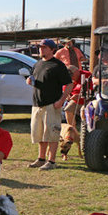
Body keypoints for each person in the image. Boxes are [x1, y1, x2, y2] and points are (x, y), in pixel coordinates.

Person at [26, 38, 72, 171]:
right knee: (39, 133)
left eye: (44, 47)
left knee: (52, 133)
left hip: (52, 104)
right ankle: (41, 159)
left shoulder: (58, 65)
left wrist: (62, 100)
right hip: (37, 104)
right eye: (40, 47)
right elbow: (34, 79)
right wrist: (29, 80)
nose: (41, 49)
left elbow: (69, 84)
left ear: (52, 50)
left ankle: (51, 161)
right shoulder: (38, 64)